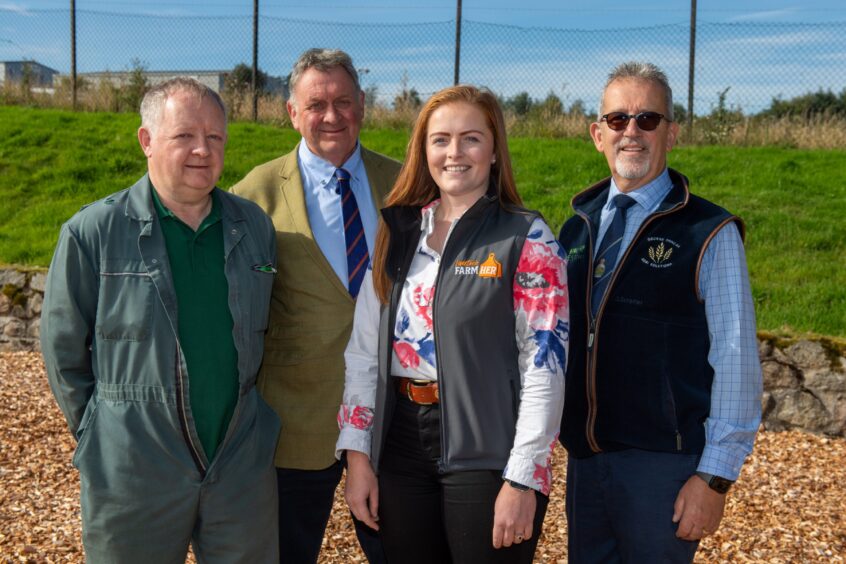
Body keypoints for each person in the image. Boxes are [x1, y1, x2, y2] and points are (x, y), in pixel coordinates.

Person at [40, 77, 280, 562]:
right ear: (146, 141)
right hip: (133, 468)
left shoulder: (252, 226)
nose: (202, 150)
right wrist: (100, 432)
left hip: (238, 465)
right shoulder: (93, 232)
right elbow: (63, 349)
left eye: (215, 137)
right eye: (184, 136)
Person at [335, 85, 569, 564]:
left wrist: (523, 477)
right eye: (440, 139)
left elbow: (545, 366)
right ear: (423, 151)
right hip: (400, 447)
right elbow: (362, 353)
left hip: (487, 453)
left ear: (495, 151)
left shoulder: (528, 237)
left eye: (471, 138)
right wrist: (358, 456)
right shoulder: (397, 233)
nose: (454, 153)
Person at [557, 61, 763, 563]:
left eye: (648, 119)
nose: (632, 131)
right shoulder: (574, 229)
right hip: (585, 460)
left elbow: (736, 360)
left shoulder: (708, 232)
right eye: (618, 119)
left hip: (663, 467)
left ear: (671, 134)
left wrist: (714, 477)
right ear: (596, 134)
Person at [230, 48, 400, 563]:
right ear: (291, 112)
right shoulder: (252, 194)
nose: (331, 116)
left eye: (343, 101)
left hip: (391, 419)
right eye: (316, 103)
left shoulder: (407, 185)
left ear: (363, 106)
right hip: (292, 421)